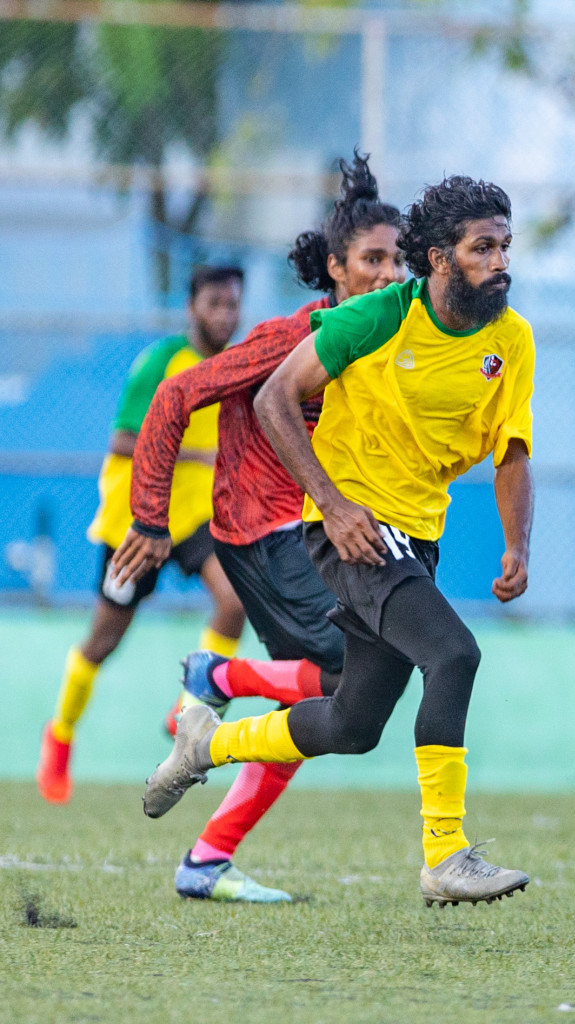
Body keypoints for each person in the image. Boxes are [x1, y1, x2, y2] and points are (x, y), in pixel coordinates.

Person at [141, 175, 537, 909]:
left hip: (415, 535)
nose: (501, 261)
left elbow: (512, 452)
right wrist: (331, 501)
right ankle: (445, 855)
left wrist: (517, 545)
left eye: (505, 245)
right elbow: (272, 399)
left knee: (352, 724)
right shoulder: (381, 317)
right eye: (483, 247)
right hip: (349, 532)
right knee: (453, 654)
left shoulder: (510, 340)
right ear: (439, 258)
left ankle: (206, 743)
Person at [111, 153, 405, 902]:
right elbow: (176, 397)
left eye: (395, 259)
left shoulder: (382, 345)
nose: (385, 273)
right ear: (336, 268)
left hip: (302, 534)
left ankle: (206, 861)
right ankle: (216, 676)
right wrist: (149, 515)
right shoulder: (287, 340)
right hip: (261, 530)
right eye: (371, 259)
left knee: (310, 712)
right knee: (355, 669)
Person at [37, 266, 247, 805]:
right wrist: (199, 455)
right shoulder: (161, 361)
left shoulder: (231, 365)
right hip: (137, 518)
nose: (225, 315)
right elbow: (125, 440)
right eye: (214, 304)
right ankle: (60, 734)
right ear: (191, 306)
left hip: (194, 516)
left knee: (234, 601)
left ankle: (187, 711)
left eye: (233, 304)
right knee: (103, 642)